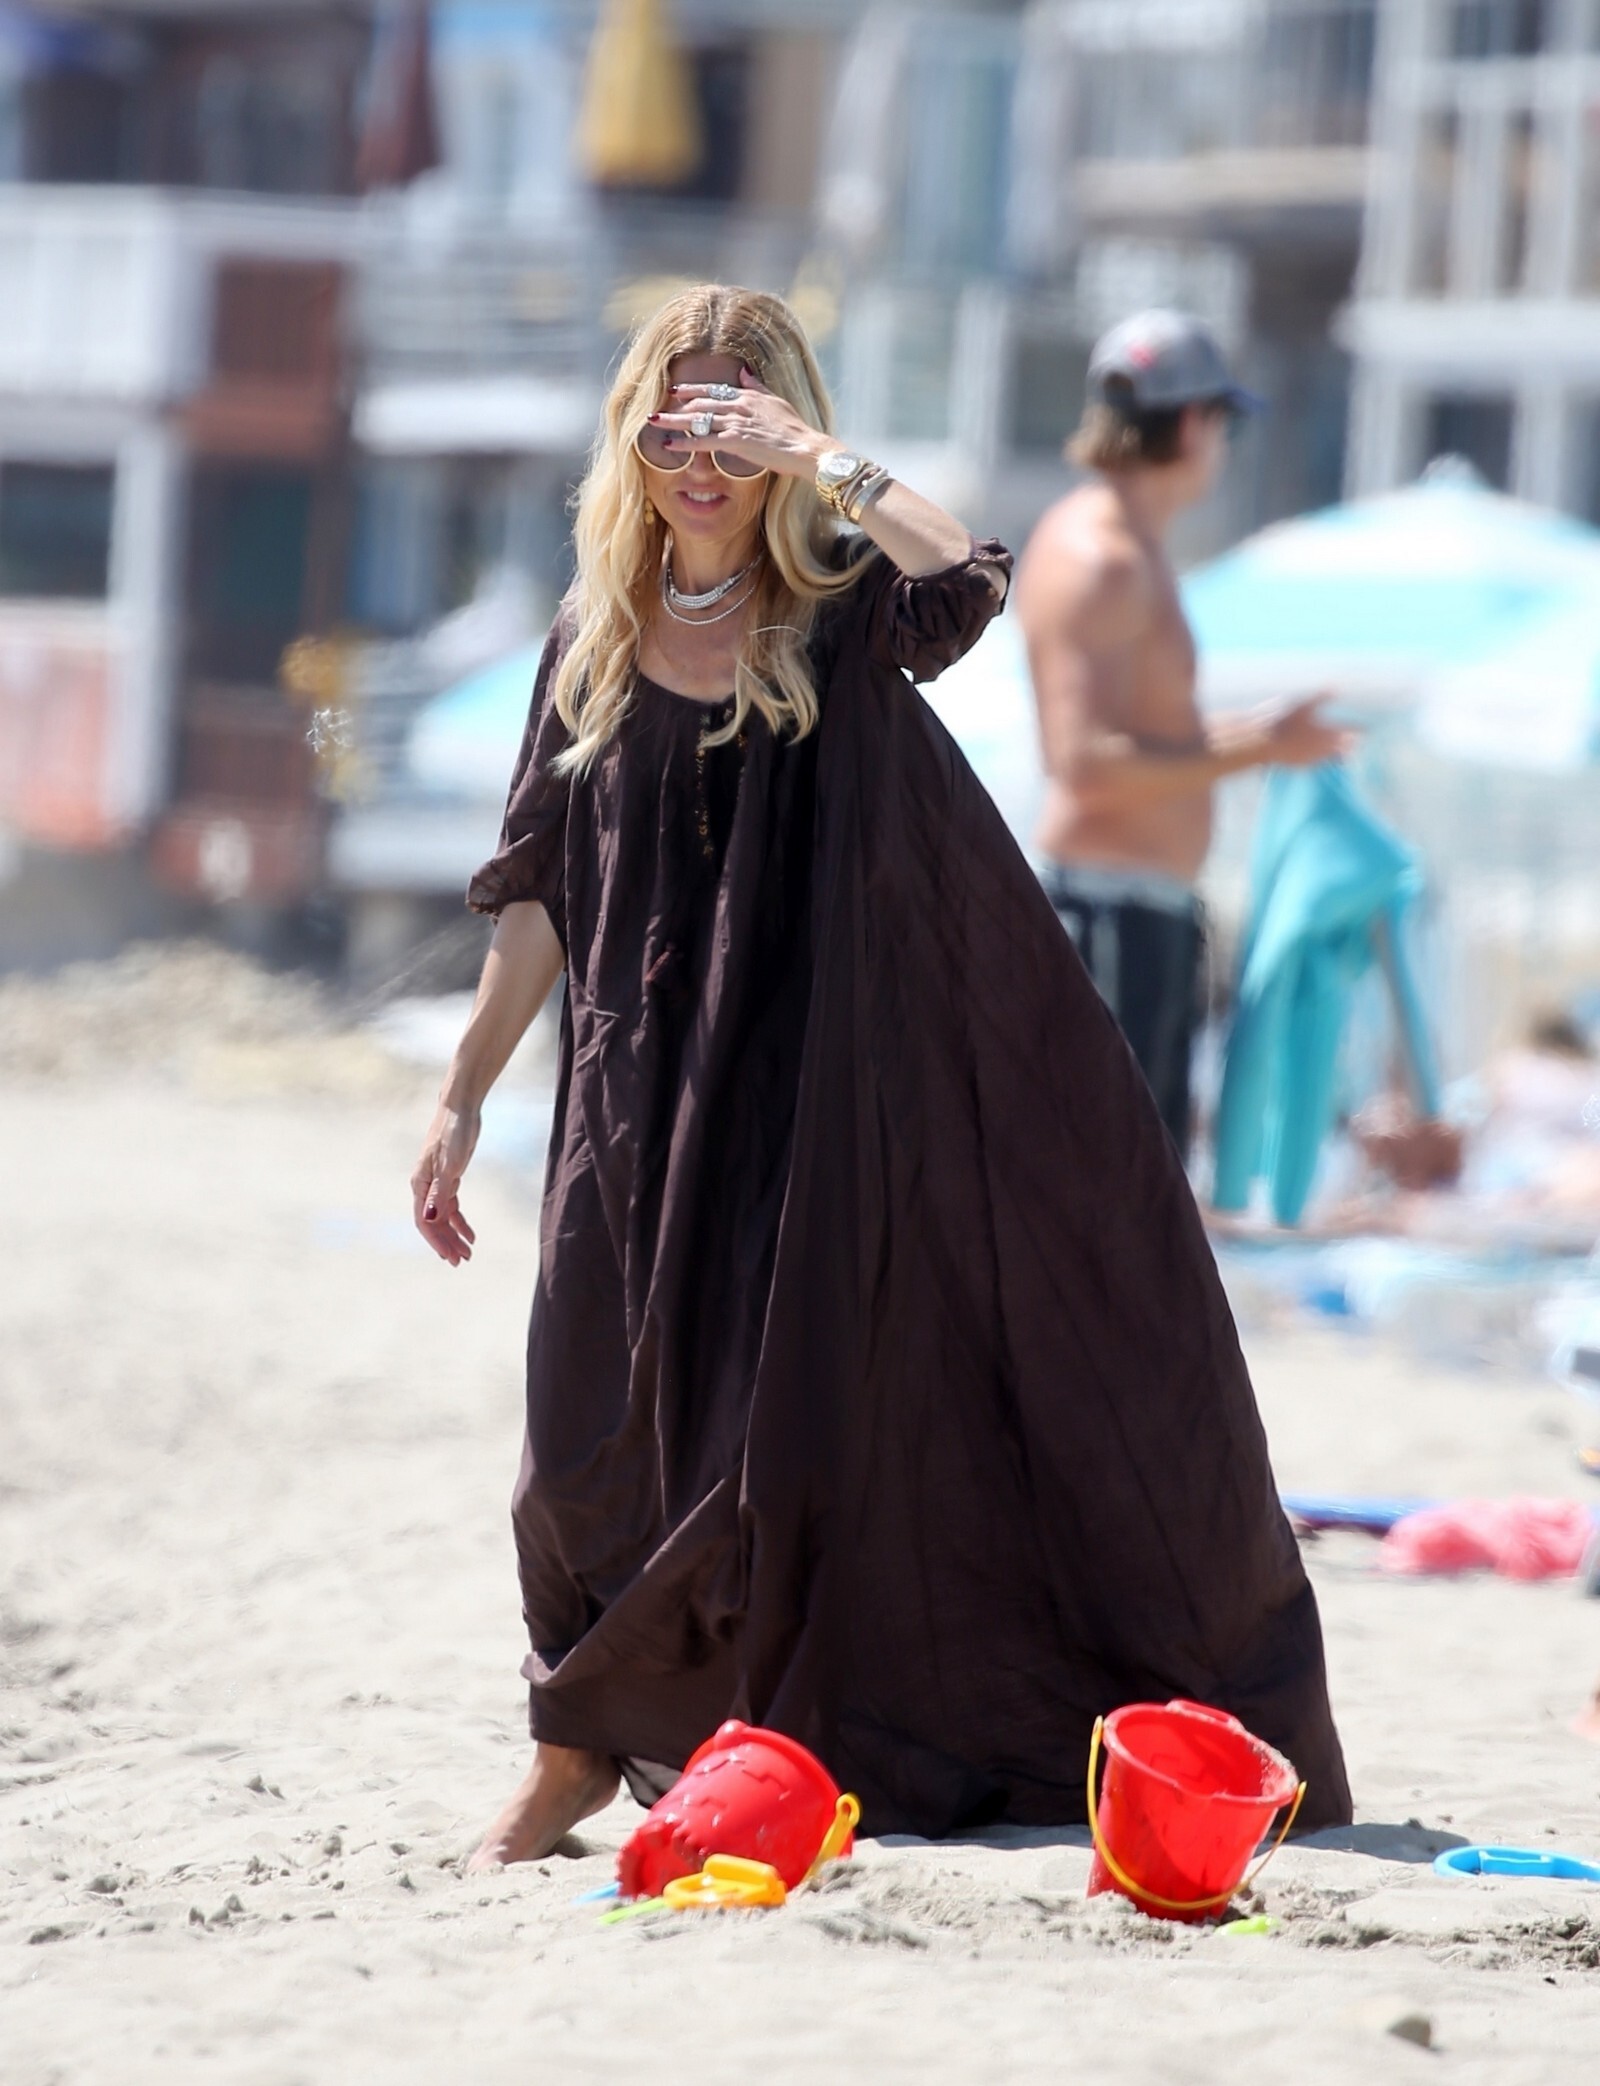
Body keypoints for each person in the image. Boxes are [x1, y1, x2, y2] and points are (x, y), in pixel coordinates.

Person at [410, 285, 1351, 1872]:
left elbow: (962, 573)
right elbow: (538, 892)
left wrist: (816, 456)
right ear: (631, 439)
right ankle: (576, 1742)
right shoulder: (589, 638)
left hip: (801, 1096)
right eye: (676, 427)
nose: (702, 463)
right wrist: (459, 1094)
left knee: (764, 1439)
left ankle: (667, 1744)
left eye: (735, 430)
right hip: (630, 1097)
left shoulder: (837, 612)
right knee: (574, 1439)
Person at [1016, 310, 1352, 1154]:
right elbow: (1082, 763)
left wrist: (1270, 733)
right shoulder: (1102, 558)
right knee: (1109, 1196)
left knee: (1145, 1197)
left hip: (1138, 915)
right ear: (1197, 424)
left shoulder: (1130, 548)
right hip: (1105, 916)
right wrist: (1262, 743)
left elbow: (1147, 729)